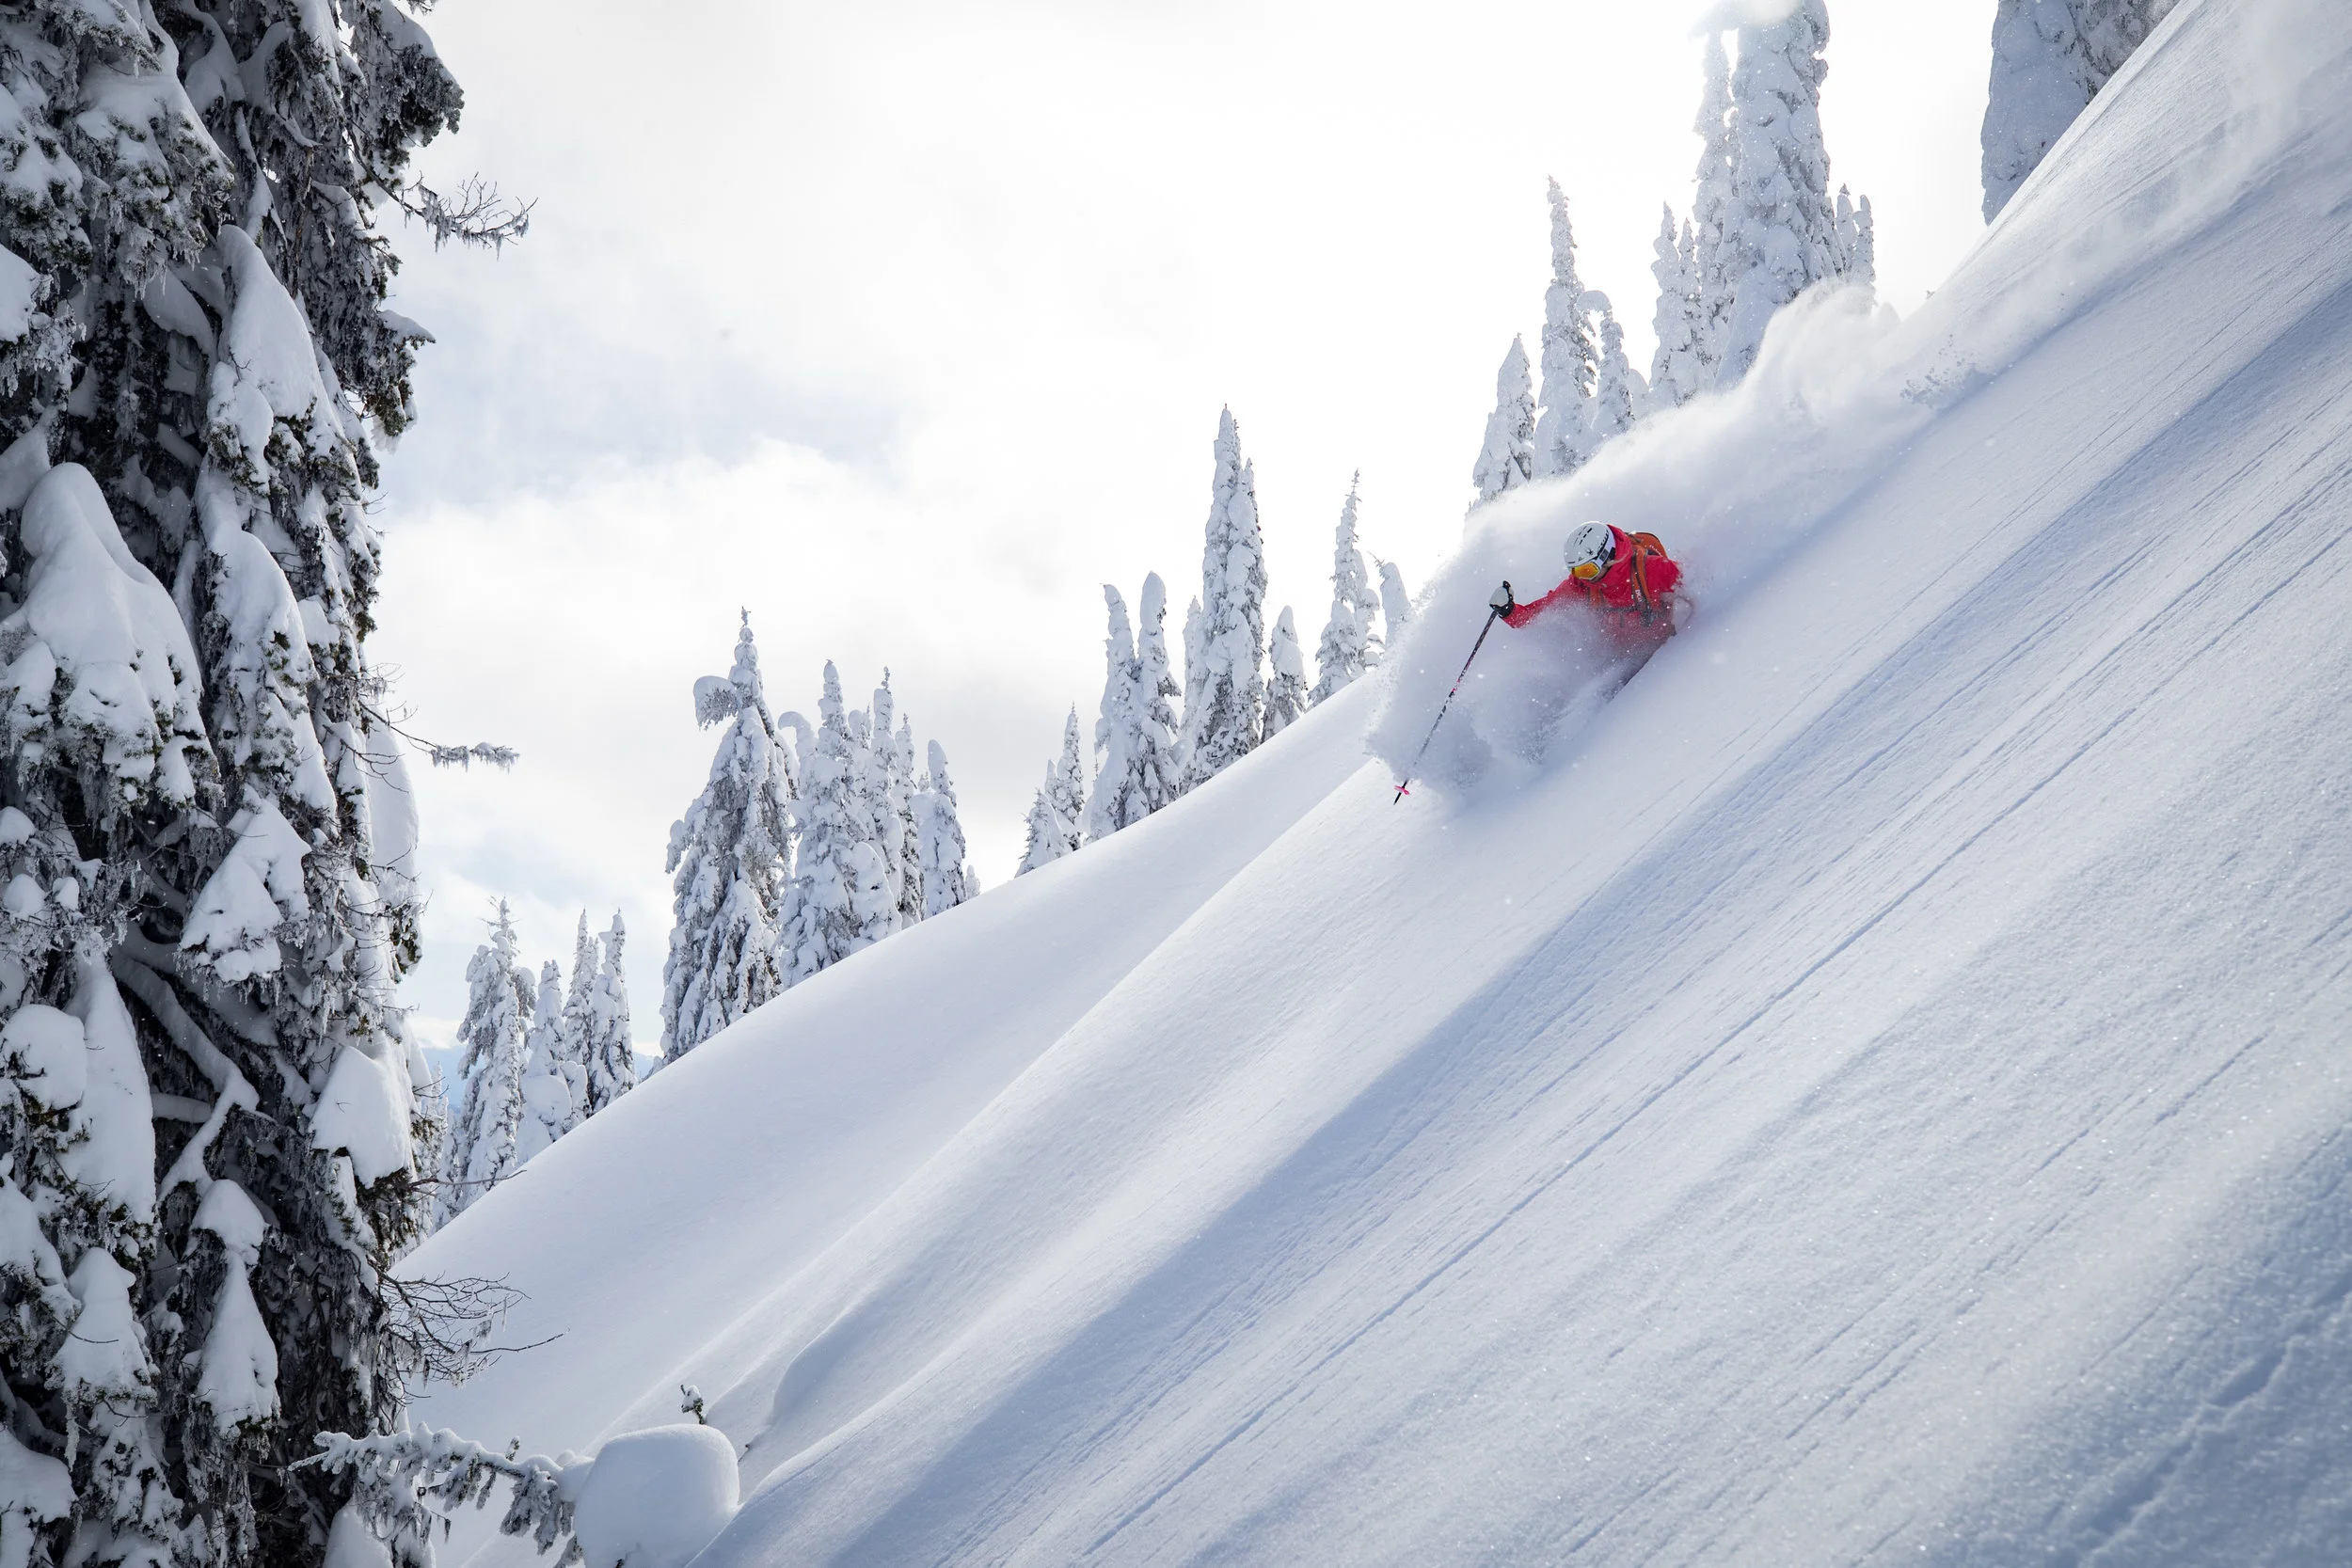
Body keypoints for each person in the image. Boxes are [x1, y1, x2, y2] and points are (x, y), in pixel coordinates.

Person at [1489, 521, 1685, 656]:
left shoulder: (1651, 570)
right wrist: (1509, 612)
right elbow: (1543, 611)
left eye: (1587, 569)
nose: (1582, 577)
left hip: (1666, 652)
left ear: (1606, 557)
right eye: (1575, 571)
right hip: (1621, 657)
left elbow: (1696, 580)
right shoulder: (1582, 584)